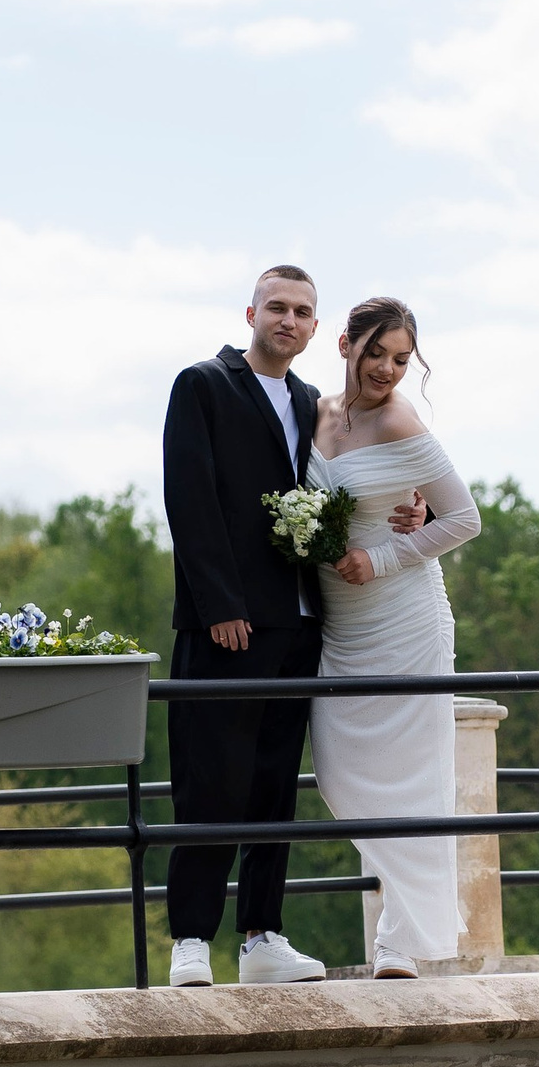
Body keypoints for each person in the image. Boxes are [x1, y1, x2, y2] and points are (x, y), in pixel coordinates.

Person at [158, 267, 336, 989]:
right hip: (226, 626)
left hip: (298, 623)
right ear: (252, 313)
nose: (288, 320)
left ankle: (263, 937)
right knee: (212, 782)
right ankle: (191, 939)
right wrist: (219, 604)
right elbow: (188, 498)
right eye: (277, 307)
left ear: (315, 327)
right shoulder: (203, 384)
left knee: (272, 786)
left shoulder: (311, 401)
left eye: (302, 311)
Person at [308, 296, 482, 976]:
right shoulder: (312, 414)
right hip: (339, 624)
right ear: (345, 344)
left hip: (404, 615)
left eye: (401, 359)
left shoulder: (401, 419)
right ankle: (403, 921)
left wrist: (383, 555)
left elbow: (463, 517)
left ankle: (400, 939)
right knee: (341, 771)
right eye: (375, 353)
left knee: (417, 776)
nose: (386, 370)